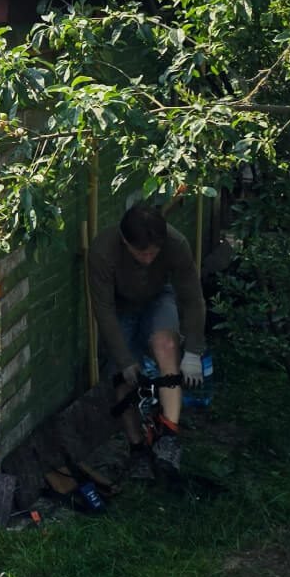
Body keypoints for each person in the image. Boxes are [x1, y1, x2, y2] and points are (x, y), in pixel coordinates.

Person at [87, 201, 207, 477]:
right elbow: (103, 310)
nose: (149, 258)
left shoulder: (176, 244)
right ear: (125, 241)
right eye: (141, 252)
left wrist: (193, 351)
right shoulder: (103, 251)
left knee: (167, 345)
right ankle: (138, 448)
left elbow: (191, 297)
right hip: (120, 306)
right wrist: (125, 359)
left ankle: (169, 438)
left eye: (154, 252)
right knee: (122, 376)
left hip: (157, 296)